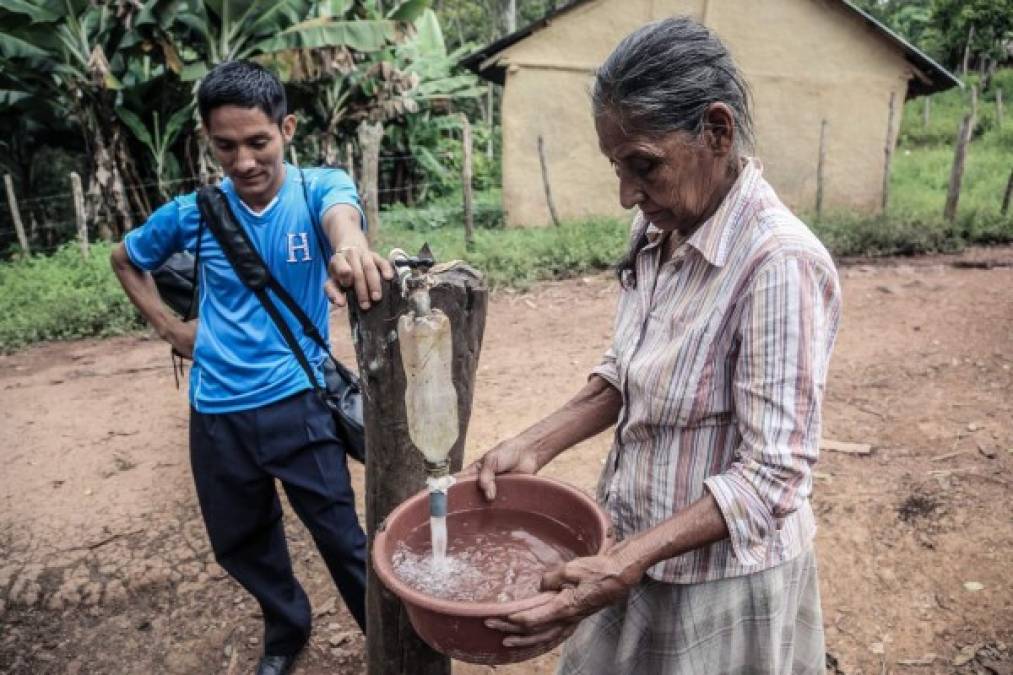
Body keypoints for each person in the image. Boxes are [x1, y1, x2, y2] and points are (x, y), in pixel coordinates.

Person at [465, 17, 841, 674]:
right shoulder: (659, 229)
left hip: (717, 581)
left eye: (642, 166)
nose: (626, 195)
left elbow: (773, 476)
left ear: (716, 132)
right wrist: (532, 442)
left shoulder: (776, 264)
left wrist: (625, 559)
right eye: (617, 167)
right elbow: (627, 369)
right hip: (633, 540)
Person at [110, 61, 393, 675]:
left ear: (286, 128)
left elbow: (342, 221)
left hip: (300, 403)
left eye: (258, 142)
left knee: (343, 539)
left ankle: (387, 643)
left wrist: (349, 249)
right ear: (208, 142)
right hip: (216, 414)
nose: (243, 163)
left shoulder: (319, 187)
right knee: (242, 542)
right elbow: (125, 257)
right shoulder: (194, 212)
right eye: (226, 146)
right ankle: (286, 630)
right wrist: (170, 328)